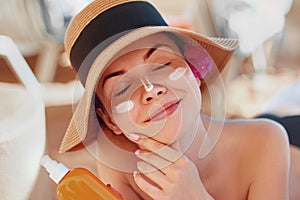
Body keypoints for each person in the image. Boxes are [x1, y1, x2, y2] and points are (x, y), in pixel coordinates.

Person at [58, 0, 290, 199]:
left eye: (163, 64)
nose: (151, 90)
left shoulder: (266, 141)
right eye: (123, 88)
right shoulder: (120, 166)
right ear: (110, 121)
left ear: (194, 69)